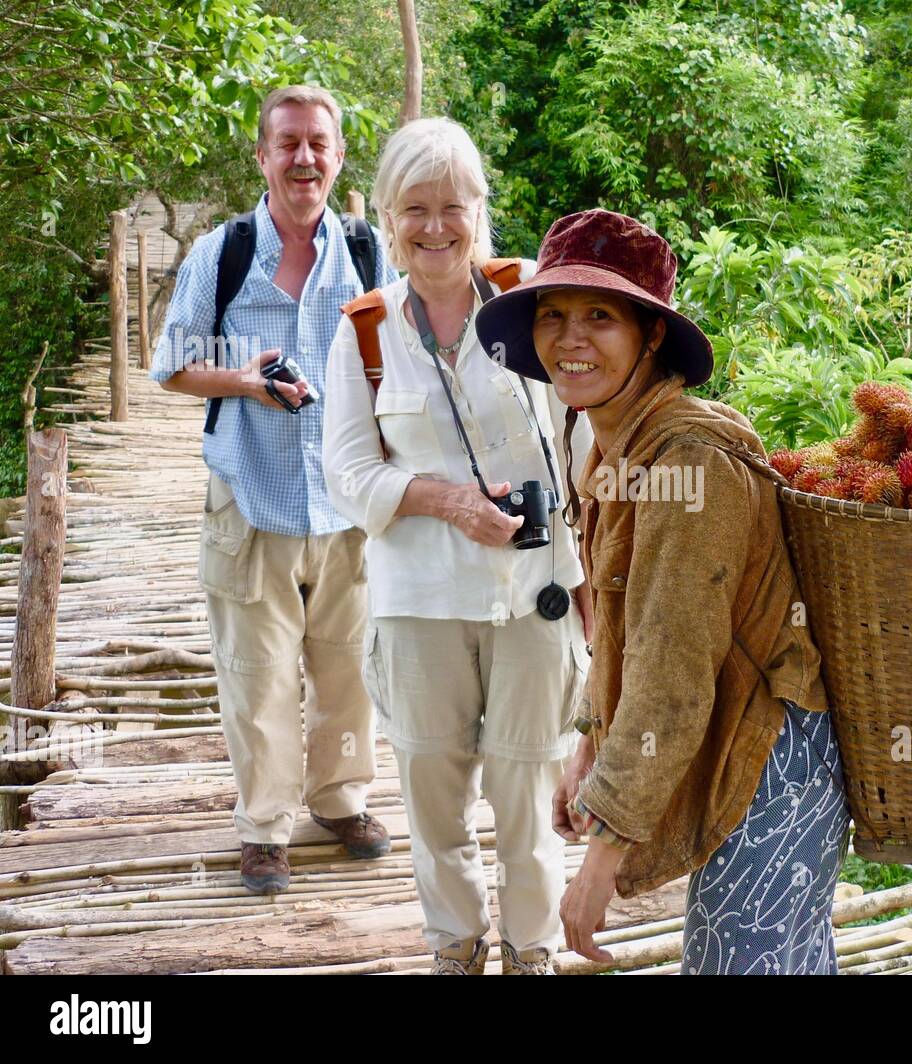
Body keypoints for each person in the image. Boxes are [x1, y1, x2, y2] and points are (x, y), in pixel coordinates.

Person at [475, 208, 851, 975]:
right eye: (553, 315)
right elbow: (619, 625)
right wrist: (589, 741)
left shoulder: (691, 466)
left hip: (767, 752)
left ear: (651, 335)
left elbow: (673, 670)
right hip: (729, 742)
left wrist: (601, 860)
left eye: (600, 318)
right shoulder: (612, 446)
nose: (570, 340)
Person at [322, 117, 594, 976]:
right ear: (388, 217)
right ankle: (456, 946)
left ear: (482, 209)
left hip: (534, 599)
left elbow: (587, 437)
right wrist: (444, 500)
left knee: (528, 795)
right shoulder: (364, 332)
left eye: (453, 205)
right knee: (435, 803)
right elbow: (347, 471)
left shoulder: (534, 306)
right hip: (418, 605)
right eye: (414, 208)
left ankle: (531, 951)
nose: (434, 226)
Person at [150, 86, 398, 895]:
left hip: (345, 505)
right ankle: (263, 826)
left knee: (349, 670)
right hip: (249, 500)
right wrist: (246, 383)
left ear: (336, 157)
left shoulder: (365, 252)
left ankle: (340, 799)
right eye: (287, 143)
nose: (304, 158)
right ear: (262, 156)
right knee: (256, 675)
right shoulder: (221, 255)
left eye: (318, 144)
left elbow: (396, 354)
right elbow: (171, 365)